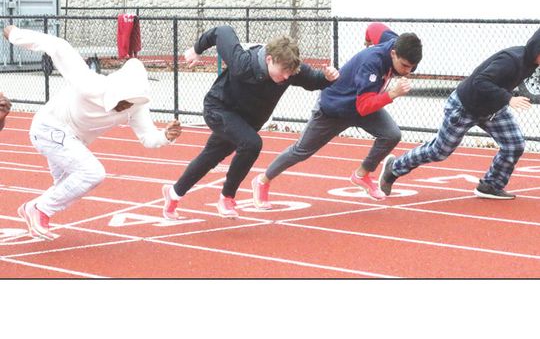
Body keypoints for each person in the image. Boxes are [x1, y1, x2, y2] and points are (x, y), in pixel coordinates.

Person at [3, 25, 182, 240]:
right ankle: (39, 210)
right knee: (92, 173)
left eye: (132, 103)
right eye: (123, 101)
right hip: (49, 128)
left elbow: (148, 138)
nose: (126, 107)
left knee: (67, 187)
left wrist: (165, 136)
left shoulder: (137, 107)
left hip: (73, 141)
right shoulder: (90, 83)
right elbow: (58, 46)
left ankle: (33, 208)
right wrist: (15, 34)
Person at [161, 25, 339, 219]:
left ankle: (173, 194)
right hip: (218, 109)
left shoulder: (290, 71)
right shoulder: (243, 63)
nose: (286, 77)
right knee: (252, 143)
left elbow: (313, 80)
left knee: (210, 157)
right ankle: (227, 198)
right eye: (283, 71)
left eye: (290, 72)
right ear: (269, 59)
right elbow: (222, 31)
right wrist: (196, 49)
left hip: (243, 121)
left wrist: (327, 78)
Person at [252, 32, 423, 207]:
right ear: (393, 53)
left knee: (391, 134)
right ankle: (262, 181)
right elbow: (364, 106)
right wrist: (393, 93)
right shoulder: (371, 63)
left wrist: (367, 36)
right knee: (301, 151)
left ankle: (362, 174)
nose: (408, 72)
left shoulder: (396, 42)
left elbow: (375, 27)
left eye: (412, 67)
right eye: (404, 66)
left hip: (362, 103)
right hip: (334, 108)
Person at [379, 27, 540, 200]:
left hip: (491, 108)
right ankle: (394, 167)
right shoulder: (511, 60)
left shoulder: (532, 63)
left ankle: (490, 185)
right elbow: (481, 81)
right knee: (439, 151)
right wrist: (509, 99)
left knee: (514, 144)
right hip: (465, 106)